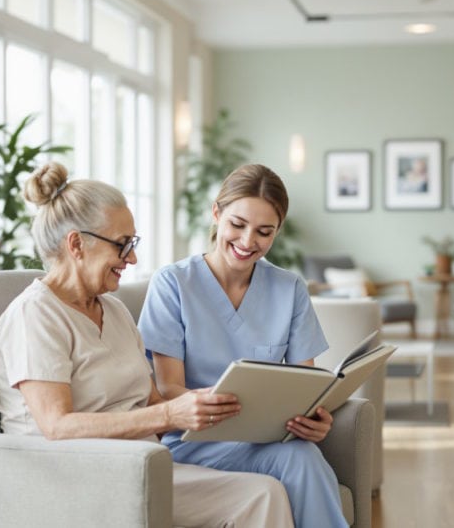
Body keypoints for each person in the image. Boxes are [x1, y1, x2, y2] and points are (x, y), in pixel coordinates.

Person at [0, 161, 293, 527]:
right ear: (76, 244)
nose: (132, 259)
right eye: (122, 245)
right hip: (73, 477)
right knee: (260, 496)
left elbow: (154, 403)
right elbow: (57, 426)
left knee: (265, 491)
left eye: (132, 245)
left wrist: (214, 403)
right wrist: (168, 414)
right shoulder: (34, 315)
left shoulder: (114, 312)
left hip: (141, 465)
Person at [139, 163, 348, 528]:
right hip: (195, 441)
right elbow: (167, 387)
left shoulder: (290, 289)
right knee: (299, 459)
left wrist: (314, 418)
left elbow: (304, 383)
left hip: (265, 440)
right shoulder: (172, 283)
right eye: (237, 225)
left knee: (301, 453)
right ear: (217, 213)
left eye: (264, 232)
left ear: (276, 232)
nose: (248, 241)